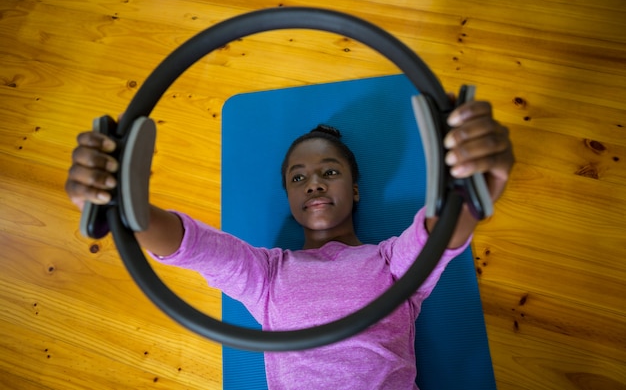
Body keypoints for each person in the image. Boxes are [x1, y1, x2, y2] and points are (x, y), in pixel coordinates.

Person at [66, 98, 514, 390]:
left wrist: (469, 191)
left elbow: (437, 235)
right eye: (298, 177)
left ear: (355, 190)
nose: (314, 182)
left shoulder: (391, 262)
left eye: (330, 171)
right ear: (290, 197)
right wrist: (127, 205)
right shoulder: (266, 273)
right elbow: (193, 246)